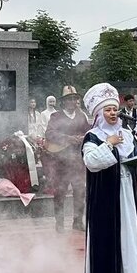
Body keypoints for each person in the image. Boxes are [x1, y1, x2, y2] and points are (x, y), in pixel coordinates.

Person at [80, 82, 137, 273]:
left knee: (128, 240)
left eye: (115, 109)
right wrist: (109, 143)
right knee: (104, 240)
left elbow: (134, 158)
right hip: (104, 194)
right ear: (98, 113)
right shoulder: (92, 136)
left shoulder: (128, 133)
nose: (113, 113)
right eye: (107, 110)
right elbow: (91, 162)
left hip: (126, 194)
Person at [45, 86, 91, 232]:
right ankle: (59, 223)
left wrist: (84, 137)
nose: (73, 101)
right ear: (63, 102)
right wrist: (69, 139)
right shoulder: (56, 116)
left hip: (77, 160)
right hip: (61, 161)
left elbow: (88, 132)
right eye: (69, 99)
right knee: (60, 192)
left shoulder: (81, 116)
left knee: (80, 191)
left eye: (74, 98)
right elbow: (49, 134)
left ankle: (77, 221)